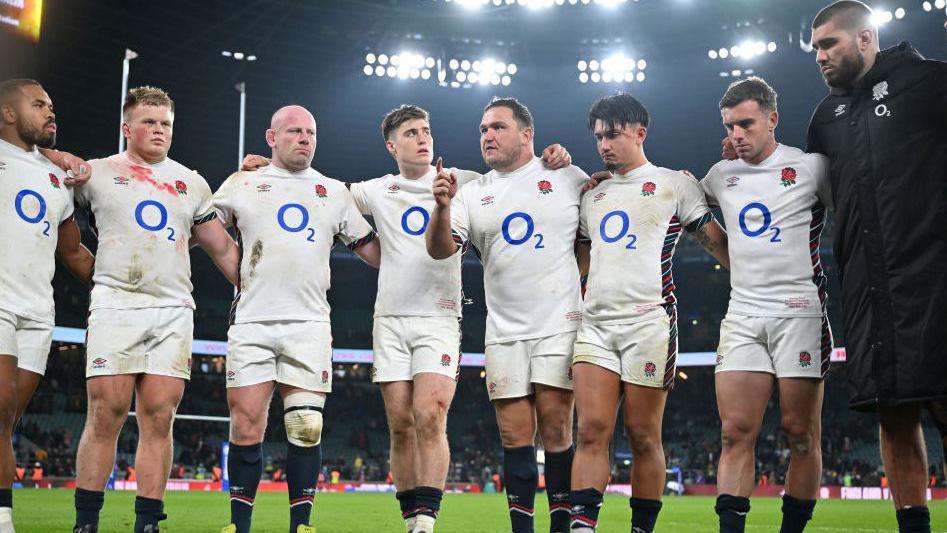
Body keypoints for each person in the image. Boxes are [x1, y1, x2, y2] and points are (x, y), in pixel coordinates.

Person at [348, 105, 570, 533]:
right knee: (400, 425)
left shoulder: (467, 182)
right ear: (392, 145)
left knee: (429, 414)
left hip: (441, 316)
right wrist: (270, 169)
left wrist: (555, 157)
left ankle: (427, 520)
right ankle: (411, 517)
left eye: (426, 130)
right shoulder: (374, 190)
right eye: (411, 133)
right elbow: (319, 194)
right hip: (390, 317)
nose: (422, 138)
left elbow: (517, 179)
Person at [71, 86, 240, 533]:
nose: (159, 130)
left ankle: (148, 521)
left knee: (159, 417)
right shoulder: (95, 174)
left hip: (173, 310)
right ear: (128, 128)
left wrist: (262, 283)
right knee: (105, 413)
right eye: (149, 122)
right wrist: (53, 157)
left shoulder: (191, 182)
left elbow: (223, 251)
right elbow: (57, 219)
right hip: (115, 303)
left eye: (165, 123)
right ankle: (87, 520)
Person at [806, 2, 947, 532]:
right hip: (866, 284)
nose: (820, 57)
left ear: (865, 38)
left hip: (933, 275)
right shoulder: (825, 117)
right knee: (892, 412)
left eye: (829, 44)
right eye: (816, 48)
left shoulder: (929, 83)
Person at [568, 92, 729, 533]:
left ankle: (642, 529)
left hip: (650, 323)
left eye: (613, 134)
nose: (603, 144)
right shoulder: (592, 194)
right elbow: (579, 261)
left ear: (640, 132)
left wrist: (759, 281)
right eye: (599, 136)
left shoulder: (675, 184)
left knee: (642, 435)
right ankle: (583, 526)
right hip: (595, 324)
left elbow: (716, 244)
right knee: (592, 430)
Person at [215, 105, 380, 533]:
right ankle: (239, 524)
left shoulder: (332, 191)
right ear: (271, 138)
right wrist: (237, 271)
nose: (305, 138)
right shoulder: (242, 182)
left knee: (306, 426)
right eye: (294, 131)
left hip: (309, 324)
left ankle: (301, 525)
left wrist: (423, 257)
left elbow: (371, 249)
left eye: (311, 132)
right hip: (252, 321)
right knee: (246, 423)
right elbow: (202, 229)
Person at [427, 97, 587, 533]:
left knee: (557, 430)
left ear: (527, 135)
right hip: (504, 332)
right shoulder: (471, 192)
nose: (487, 136)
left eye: (497, 127)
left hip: (560, 325)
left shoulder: (566, 176)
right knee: (514, 437)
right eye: (482, 129)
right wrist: (441, 207)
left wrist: (568, 283)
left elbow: (589, 242)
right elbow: (440, 249)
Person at [706, 77, 832, 533]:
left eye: (746, 123)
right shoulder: (722, 176)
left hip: (799, 311)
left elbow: (857, 213)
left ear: (772, 119)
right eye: (729, 126)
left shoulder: (812, 168)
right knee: (735, 431)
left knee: (801, 434)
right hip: (742, 314)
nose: (736, 134)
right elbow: (678, 206)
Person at [0, 78, 94, 533]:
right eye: (39, 105)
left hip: (38, 312)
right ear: (9, 113)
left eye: (52, 106)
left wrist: (136, 279)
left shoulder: (59, 177)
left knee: (10, 417)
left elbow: (74, 254)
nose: (51, 112)